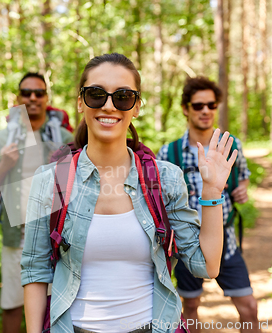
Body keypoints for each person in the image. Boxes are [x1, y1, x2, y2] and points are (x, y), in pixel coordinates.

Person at [21, 53, 238, 333]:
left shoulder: (166, 177)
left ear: (136, 106)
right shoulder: (49, 180)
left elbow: (207, 266)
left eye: (123, 96)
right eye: (96, 94)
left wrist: (212, 191)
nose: (109, 106)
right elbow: (35, 272)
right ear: (80, 102)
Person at [156, 76, 260, 333]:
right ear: (186, 108)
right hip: (186, 242)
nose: (205, 110)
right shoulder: (168, 153)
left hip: (226, 240)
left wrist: (241, 191)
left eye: (211, 105)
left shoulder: (231, 146)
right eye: (198, 105)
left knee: (248, 307)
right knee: (190, 308)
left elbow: (243, 177)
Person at [0, 72, 74, 333]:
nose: (33, 98)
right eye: (26, 93)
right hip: (17, 234)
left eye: (39, 93)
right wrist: (6, 163)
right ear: (18, 98)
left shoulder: (64, 138)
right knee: (11, 302)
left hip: (57, 235)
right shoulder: (3, 139)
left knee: (56, 300)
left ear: (47, 97)